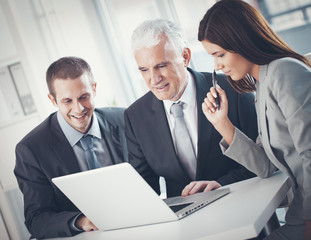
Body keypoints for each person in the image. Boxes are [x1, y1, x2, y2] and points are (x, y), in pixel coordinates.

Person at [197, 0, 311, 239]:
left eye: (220, 54)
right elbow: (266, 166)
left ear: (241, 39)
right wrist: (222, 124)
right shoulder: (262, 84)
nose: (217, 66)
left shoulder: (284, 73)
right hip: (299, 216)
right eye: (213, 56)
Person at [124, 19, 258, 198]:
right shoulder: (135, 116)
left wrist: (222, 184)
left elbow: (262, 161)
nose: (154, 79)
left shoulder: (234, 90)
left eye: (161, 66)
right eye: (144, 70)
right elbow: (145, 188)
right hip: (185, 221)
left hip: (243, 203)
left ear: (185, 57)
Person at [14, 57, 128, 239]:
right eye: (67, 101)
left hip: (129, 225)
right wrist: (80, 221)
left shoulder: (123, 120)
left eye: (84, 97)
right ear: (53, 100)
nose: (79, 108)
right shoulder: (31, 149)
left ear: (94, 89)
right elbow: (36, 219)